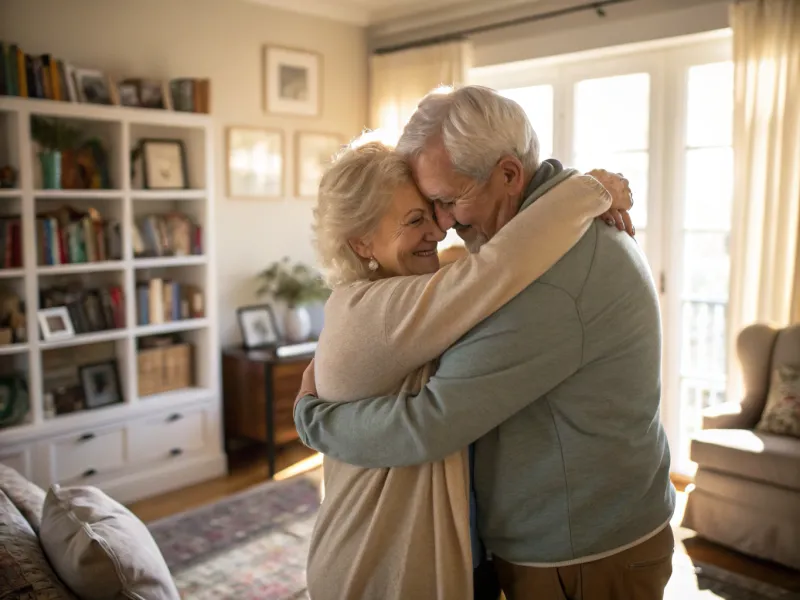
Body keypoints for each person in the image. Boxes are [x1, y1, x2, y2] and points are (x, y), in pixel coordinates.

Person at [295, 86, 676, 600]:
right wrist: (587, 189)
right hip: (550, 538)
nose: (445, 226)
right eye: (428, 208)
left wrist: (317, 420)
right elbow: (482, 271)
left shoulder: (549, 281)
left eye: (449, 202)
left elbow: (434, 421)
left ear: (509, 175)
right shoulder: (522, 251)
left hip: (580, 552)